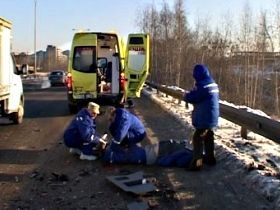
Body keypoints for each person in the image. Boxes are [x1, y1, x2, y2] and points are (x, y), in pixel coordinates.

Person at [183, 64, 219, 171]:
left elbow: (193, 97)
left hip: (204, 118)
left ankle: (197, 163)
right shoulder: (212, 84)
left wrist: (186, 96)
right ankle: (210, 158)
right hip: (212, 117)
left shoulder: (203, 86)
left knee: (198, 139)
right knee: (209, 137)